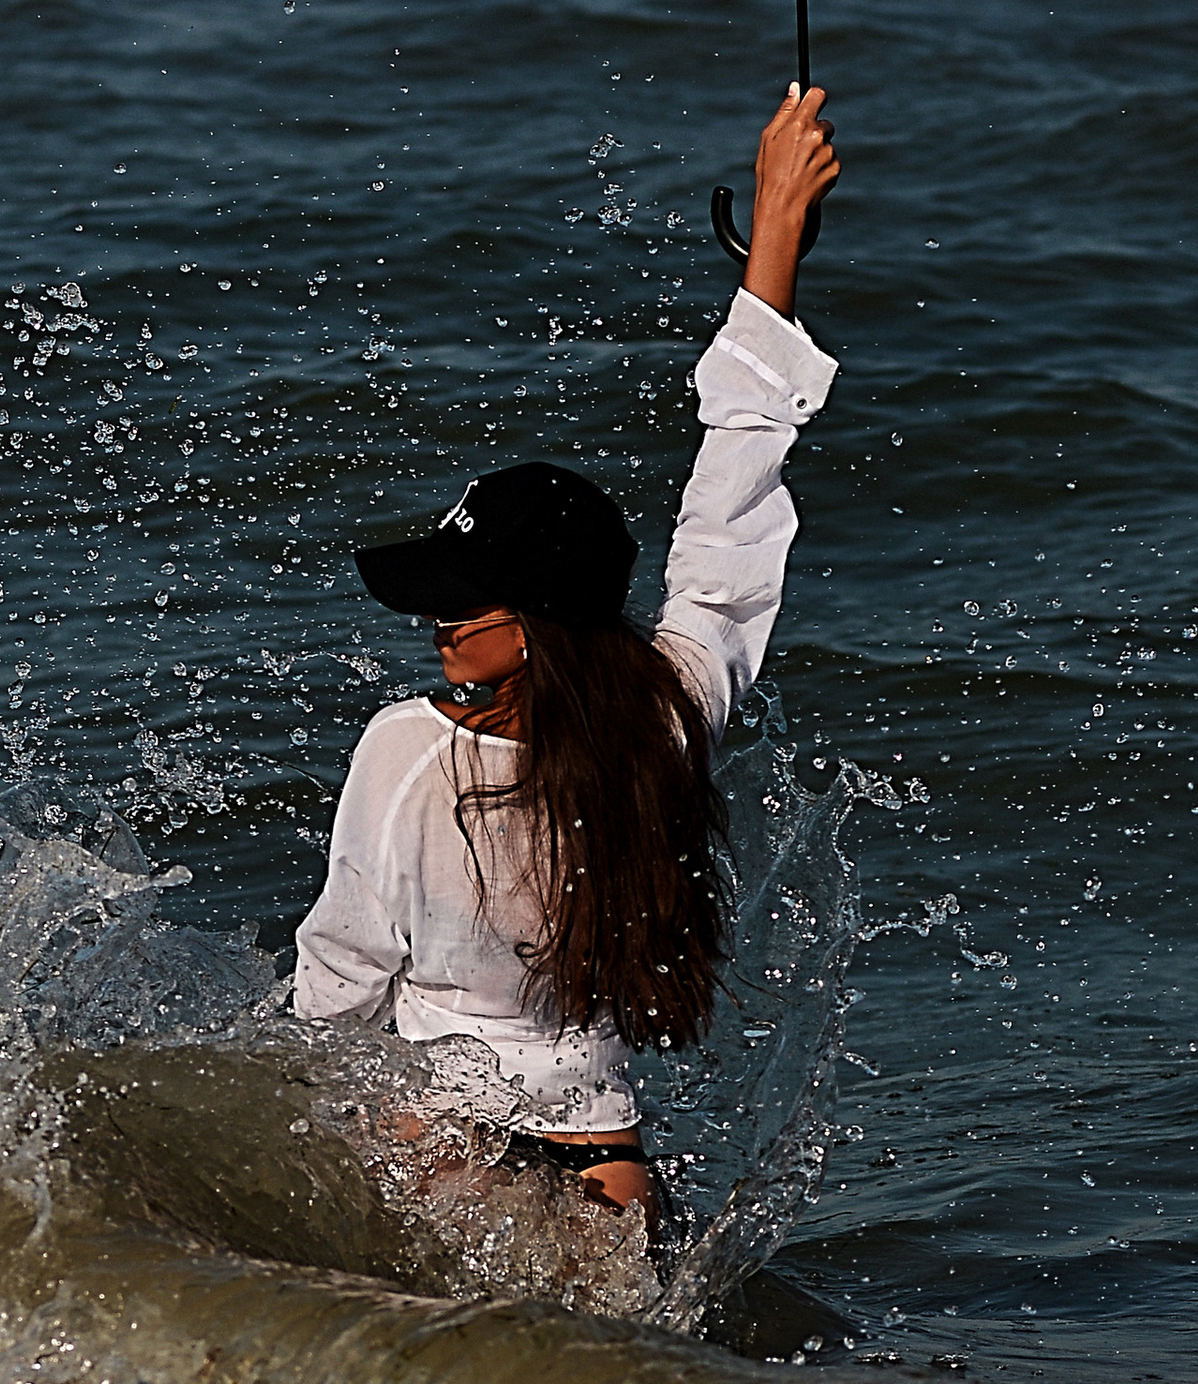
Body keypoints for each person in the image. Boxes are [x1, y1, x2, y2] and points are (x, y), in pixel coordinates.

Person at [291, 82, 841, 1217]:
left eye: (467, 602)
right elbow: (731, 507)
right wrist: (775, 241)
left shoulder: (406, 751)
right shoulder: (664, 714)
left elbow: (339, 982)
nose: (440, 621)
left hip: (432, 1142)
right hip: (606, 1155)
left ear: (535, 620)